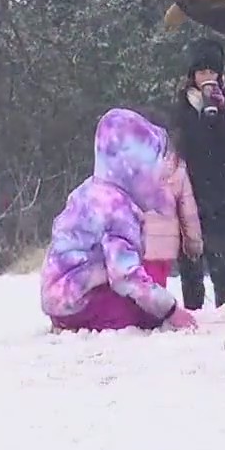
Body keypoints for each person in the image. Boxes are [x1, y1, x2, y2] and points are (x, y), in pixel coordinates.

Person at [41, 108, 198, 333]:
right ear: (134, 169)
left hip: (58, 302)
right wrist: (169, 309)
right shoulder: (117, 209)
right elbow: (125, 275)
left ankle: (66, 321)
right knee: (141, 313)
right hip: (82, 302)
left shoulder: (88, 191)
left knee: (135, 304)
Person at [170, 37, 225, 309]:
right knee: (190, 257)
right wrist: (199, 118)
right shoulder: (182, 104)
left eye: (212, 72)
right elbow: (178, 145)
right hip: (188, 191)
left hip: (220, 189)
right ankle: (193, 309)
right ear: (192, 75)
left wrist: (221, 114)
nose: (207, 78)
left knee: (220, 255)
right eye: (201, 72)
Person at [140, 143, 204, 288]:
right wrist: (193, 240)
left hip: (138, 242)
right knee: (157, 288)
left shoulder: (130, 165)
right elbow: (188, 209)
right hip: (165, 246)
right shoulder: (176, 167)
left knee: (138, 289)